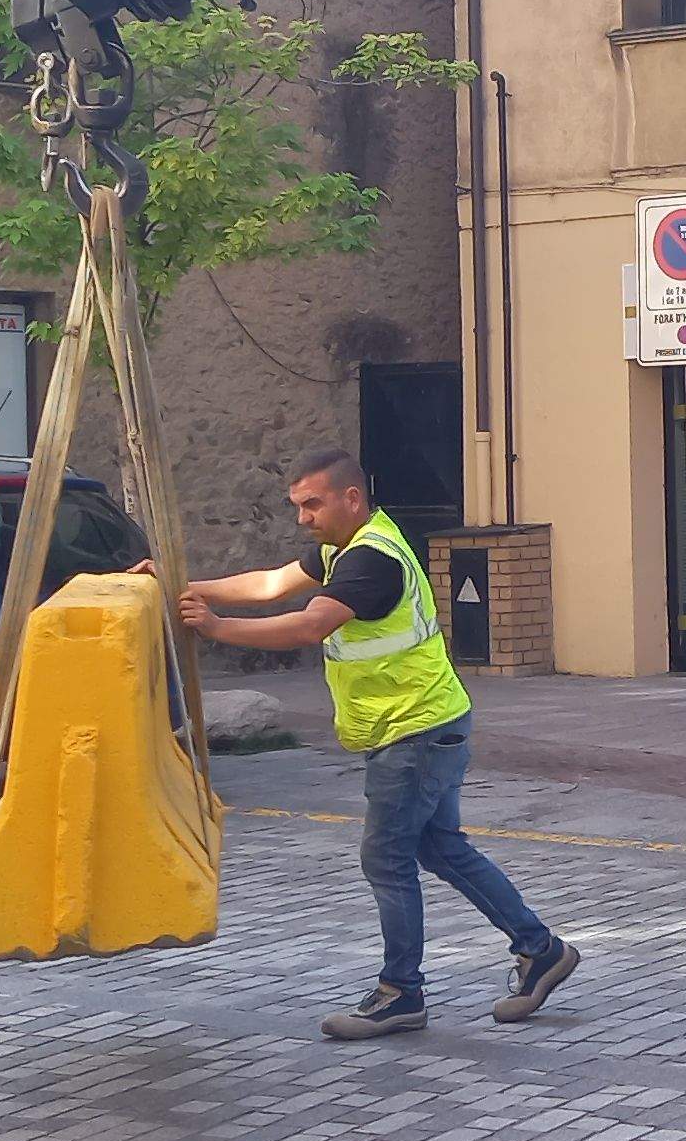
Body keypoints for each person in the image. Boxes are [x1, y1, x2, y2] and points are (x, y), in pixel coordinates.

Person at [174, 446, 579, 1042]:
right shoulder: (346, 547)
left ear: (351, 498)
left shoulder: (370, 559)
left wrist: (216, 628)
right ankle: (541, 950)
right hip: (427, 723)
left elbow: (311, 624)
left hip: (413, 731)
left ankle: (400, 993)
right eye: (297, 506)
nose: (303, 518)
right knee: (441, 848)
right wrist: (185, 587)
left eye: (312, 504)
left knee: (387, 858)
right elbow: (271, 583)